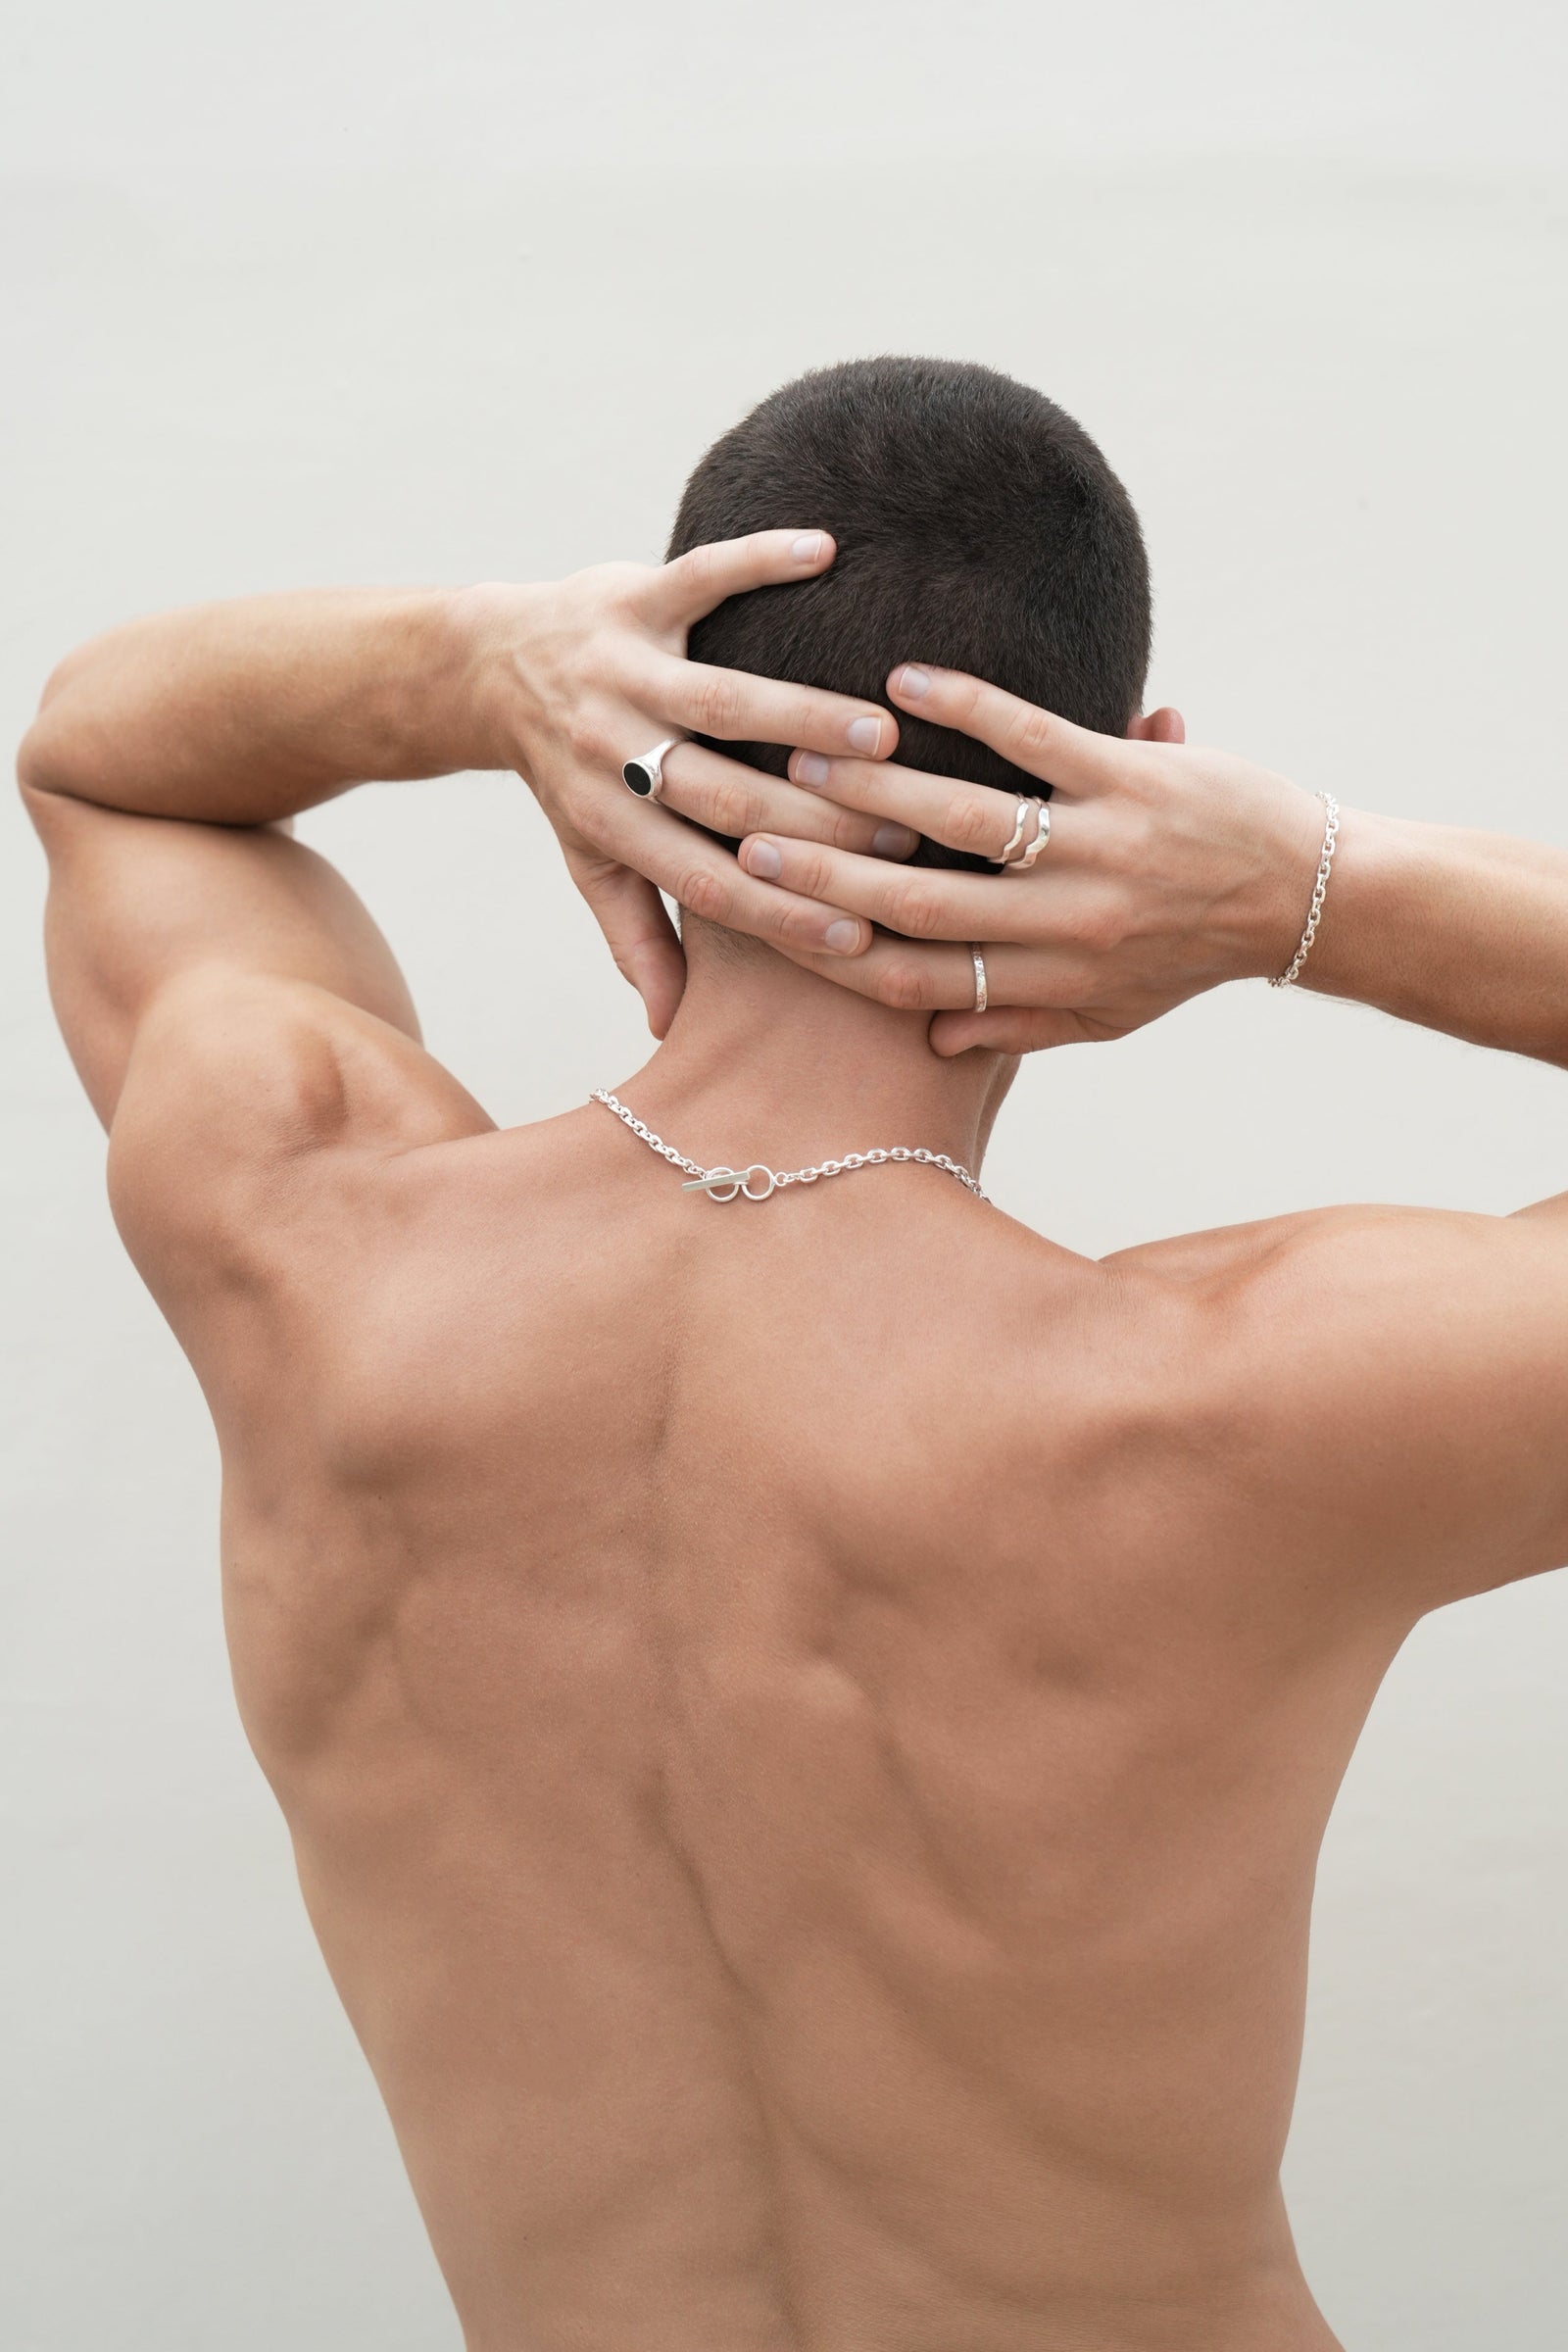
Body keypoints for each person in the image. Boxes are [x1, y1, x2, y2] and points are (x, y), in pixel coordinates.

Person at [17, 354, 1568, 2352]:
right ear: (1141, 770)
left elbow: (97, 757)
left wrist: (481, 668)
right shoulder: (1242, 1407)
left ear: (646, 743)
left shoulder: (308, 1244)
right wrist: (1302, 894)